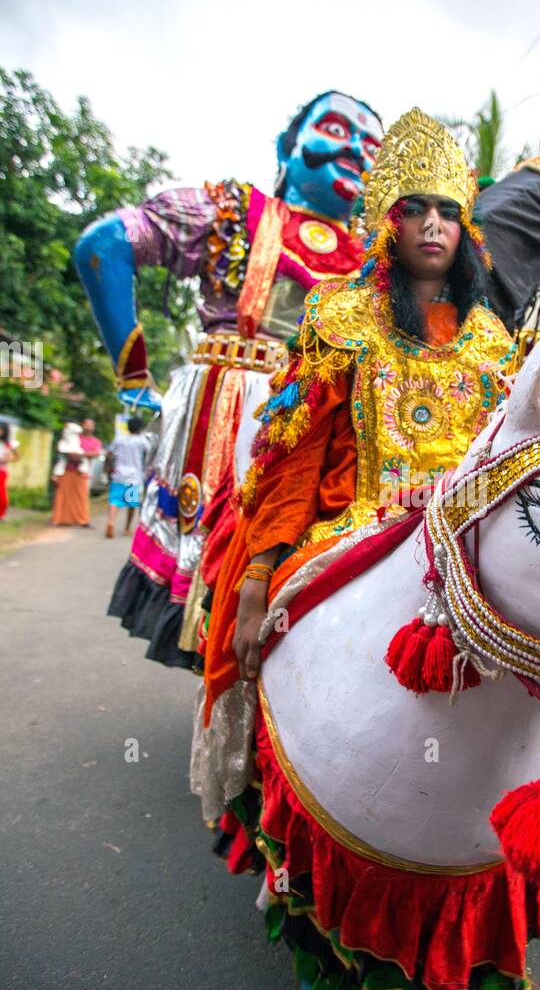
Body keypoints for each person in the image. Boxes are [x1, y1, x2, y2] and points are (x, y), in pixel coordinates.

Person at [191, 108, 517, 990]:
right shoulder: (339, 321)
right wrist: (258, 576)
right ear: (388, 222)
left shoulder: (499, 343)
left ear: (465, 231)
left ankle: (468, 973)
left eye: (447, 212)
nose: (431, 226)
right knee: (283, 654)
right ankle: (327, 965)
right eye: (412, 209)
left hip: (473, 548)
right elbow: (293, 464)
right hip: (356, 530)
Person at [75, 90, 382, 668]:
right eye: (336, 129)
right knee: (228, 561)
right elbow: (104, 246)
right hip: (231, 411)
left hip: (330, 427)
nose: (355, 151)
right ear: (289, 148)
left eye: (370, 145)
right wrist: (132, 370)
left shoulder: (374, 256)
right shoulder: (236, 213)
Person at [105, 416, 151, 538]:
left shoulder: (120, 439)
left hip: (119, 474)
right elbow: (150, 453)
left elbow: (109, 453)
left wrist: (108, 469)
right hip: (133, 476)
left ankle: (111, 521)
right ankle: (127, 527)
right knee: (131, 502)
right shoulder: (141, 441)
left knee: (114, 500)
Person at [51, 423, 92, 527]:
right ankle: (59, 519)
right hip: (64, 472)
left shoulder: (78, 442)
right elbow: (63, 457)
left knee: (81, 497)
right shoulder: (62, 444)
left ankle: (82, 519)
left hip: (79, 473)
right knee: (61, 497)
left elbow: (77, 456)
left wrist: (77, 456)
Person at [0, 423, 20, 520]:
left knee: (1, 493)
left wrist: (7, 459)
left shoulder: (8, 444)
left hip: (1, 471)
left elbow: (17, 457)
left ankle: (1, 514)